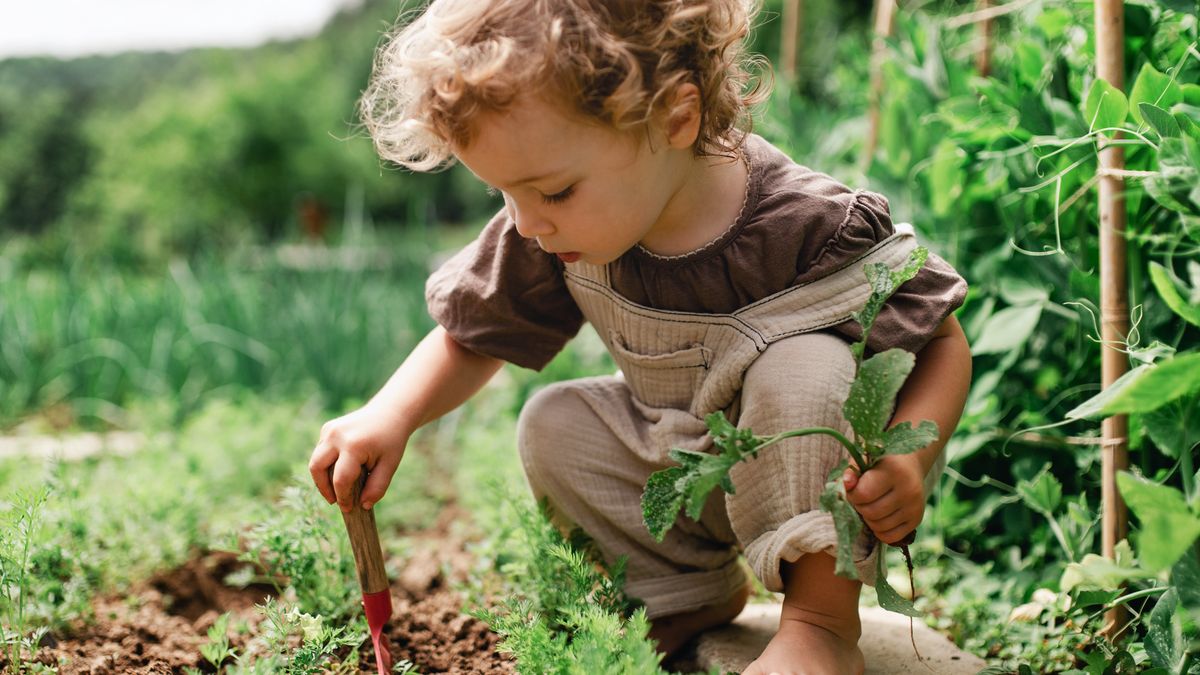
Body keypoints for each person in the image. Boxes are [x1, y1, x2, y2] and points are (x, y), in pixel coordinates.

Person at [308, 1, 972, 672]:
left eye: (554, 192)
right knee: (554, 423)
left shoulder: (804, 224)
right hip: (684, 464)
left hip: (811, 469)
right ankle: (681, 595)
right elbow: (472, 334)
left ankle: (820, 625)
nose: (529, 222)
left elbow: (943, 339)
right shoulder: (552, 223)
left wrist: (909, 458)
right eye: (505, 195)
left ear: (677, 118)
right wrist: (389, 415)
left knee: (802, 365)